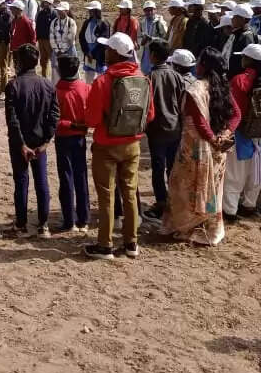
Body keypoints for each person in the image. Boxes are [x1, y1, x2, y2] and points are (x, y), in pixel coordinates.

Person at [82, 32, 156, 260]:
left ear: (115, 53)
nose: (105, 51)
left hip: (106, 145)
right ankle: (131, 243)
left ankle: (105, 245)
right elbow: (150, 115)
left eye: (108, 49)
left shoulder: (102, 81)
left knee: (106, 196)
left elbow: (92, 120)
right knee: (130, 194)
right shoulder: (142, 78)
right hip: (132, 144)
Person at [160, 48, 239, 246]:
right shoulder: (222, 87)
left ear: (204, 66)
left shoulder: (196, 89)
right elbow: (236, 115)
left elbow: (199, 122)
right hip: (218, 149)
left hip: (195, 148)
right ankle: (210, 228)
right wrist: (224, 135)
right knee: (214, 188)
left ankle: (187, 227)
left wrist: (213, 139)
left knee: (185, 187)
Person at [4, 44, 59, 237]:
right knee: (41, 182)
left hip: (21, 144)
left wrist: (21, 144)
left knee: (21, 181)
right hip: (39, 142)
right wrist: (46, 140)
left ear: (19, 62)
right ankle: (43, 224)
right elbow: (54, 115)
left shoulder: (13, 85)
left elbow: (12, 120)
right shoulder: (48, 84)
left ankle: (21, 224)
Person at [224, 44, 261, 221]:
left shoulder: (239, 80)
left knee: (234, 175)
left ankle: (229, 210)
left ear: (249, 61)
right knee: (255, 173)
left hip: (241, 133)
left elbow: (232, 108)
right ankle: (249, 204)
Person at [142, 38, 187, 221]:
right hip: (175, 128)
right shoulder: (177, 76)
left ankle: (161, 202)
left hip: (157, 130)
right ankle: (174, 201)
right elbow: (182, 103)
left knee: (158, 168)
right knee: (173, 168)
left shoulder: (150, 78)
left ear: (153, 56)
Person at [54, 55, 90, 233]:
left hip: (63, 138)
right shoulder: (85, 89)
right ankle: (83, 219)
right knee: (81, 176)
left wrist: (69, 124)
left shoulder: (57, 91)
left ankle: (69, 220)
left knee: (66, 179)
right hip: (80, 138)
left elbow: (54, 120)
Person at [221, 3, 257, 77]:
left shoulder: (246, 37)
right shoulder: (236, 34)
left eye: (234, 17)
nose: (232, 19)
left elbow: (243, 64)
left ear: (242, 19)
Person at [79, 1, 110, 85]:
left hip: (99, 55)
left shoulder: (104, 23)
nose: (90, 12)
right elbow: (81, 38)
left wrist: (93, 53)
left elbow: (105, 41)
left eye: (92, 10)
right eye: (90, 10)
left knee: (101, 78)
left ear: (97, 11)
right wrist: (87, 52)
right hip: (88, 54)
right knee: (88, 78)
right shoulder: (86, 23)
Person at [49, 1, 78, 81]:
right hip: (56, 51)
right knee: (56, 72)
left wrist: (62, 51)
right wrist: (57, 50)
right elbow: (51, 37)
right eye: (58, 10)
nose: (59, 12)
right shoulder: (54, 22)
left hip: (69, 50)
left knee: (71, 71)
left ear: (67, 11)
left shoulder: (71, 22)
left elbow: (70, 39)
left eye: (61, 10)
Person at [138, 1, 168, 75]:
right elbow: (139, 36)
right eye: (147, 10)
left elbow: (165, 37)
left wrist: (152, 39)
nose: (149, 12)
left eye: (151, 10)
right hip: (145, 52)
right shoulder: (142, 22)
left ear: (155, 10)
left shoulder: (160, 22)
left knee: (155, 72)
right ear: (144, 11)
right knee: (144, 72)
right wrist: (142, 41)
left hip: (156, 51)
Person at [35, 0, 56, 79]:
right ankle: (44, 79)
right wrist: (37, 39)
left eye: (44, 2)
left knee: (53, 61)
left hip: (49, 40)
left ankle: (54, 80)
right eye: (42, 1)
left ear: (49, 3)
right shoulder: (40, 13)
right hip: (41, 40)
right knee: (43, 61)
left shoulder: (54, 13)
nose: (42, 3)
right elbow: (37, 26)